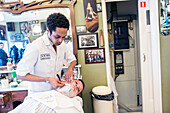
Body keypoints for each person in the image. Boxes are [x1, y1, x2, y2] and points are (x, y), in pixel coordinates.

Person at [16, 13, 77, 95]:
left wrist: (70, 69)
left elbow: (73, 60)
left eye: (63, 37)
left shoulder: (62, 45)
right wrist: (47, 79)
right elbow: (20, 75)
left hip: (56, 93)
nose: (61, 40)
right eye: (57, 36)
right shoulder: (35, 46)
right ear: (48, 30)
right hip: (39, 94)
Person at [9, 79, 85, 113]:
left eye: (78, 89)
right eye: (76, 82)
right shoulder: (45, 95)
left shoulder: (74, 105)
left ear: (76, 95)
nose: (76, 86)